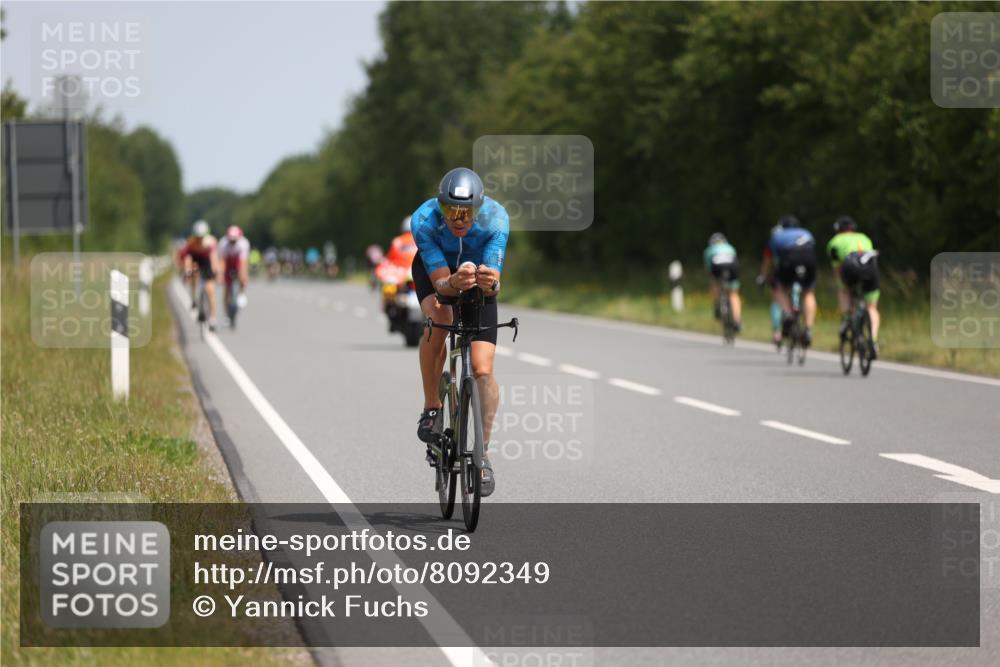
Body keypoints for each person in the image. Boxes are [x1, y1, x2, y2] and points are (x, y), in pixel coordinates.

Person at [411, 167, 509, 497]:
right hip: (438, 273)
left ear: (479, 208)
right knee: (439, 318)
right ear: (440, 206)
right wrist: (452, 282)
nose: (458, 218)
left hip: (477, 274)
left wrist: (490, 281)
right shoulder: (424, 220)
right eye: (451, 210)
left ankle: (482, 453)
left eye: (466, 211)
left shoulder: (496, 219)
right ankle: (432, 407)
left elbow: (495, 276)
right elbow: (440, 284)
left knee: (483, 369)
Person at [758, 215, 817, 347]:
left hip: (789, 259)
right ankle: (808, 328)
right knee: (808, 292)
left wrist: (763, 276)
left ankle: (788, 313)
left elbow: (768, 260)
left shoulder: (777, 236)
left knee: (779, 289)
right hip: (809, 259)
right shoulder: (806, 233)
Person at [827, 215, 880, 359]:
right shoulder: (864, 237)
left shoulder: (834, 242)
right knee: (872, 307)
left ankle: (846, 319)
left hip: (850, 267)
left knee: (844, 290)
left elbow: (837, 269)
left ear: (838, 230)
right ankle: (873, 340)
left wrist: (842, 284)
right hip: (871, 268)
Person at [178, 220, 220, 331]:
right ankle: (193, 298)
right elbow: (188, 258)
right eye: (198, 237)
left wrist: (215, 271)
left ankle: (212, 318)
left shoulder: (211, 242)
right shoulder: (191, 243)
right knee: (193, 274)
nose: (200, 239)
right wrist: (187, 271)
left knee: (210, 290)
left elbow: (214, 258)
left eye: (202, 237)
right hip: (195, 260)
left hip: (207, 261)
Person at [703, 232, 742, 332]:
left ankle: (717, 306)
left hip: (717, 265)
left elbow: (708, 270)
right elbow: (737, 262)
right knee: (733, 293)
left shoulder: (709, 250)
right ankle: (737, 320)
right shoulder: (730, 247)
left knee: (714, 282)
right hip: (732, 266)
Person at [218, 225, 250, 323]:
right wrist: (221, 275)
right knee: (227, 289)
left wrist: (244, 277)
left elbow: (243, 263)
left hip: (238, 262)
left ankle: (241, 292)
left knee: (242, 278)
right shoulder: (223, 243)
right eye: (231, 240)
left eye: (234, 240)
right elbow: (222, 261)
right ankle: (226, 314)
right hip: (227, 262)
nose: (232, 242)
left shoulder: (244, 243)